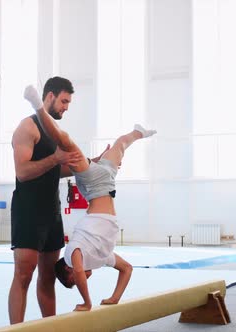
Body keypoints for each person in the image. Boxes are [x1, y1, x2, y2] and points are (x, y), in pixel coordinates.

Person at [23, 84, 157, 312]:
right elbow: (127, 269)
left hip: (93, 185)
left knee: (65, 142)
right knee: (121, 144)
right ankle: (139, 132)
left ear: (68, 271)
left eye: (77, 280)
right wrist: (115, 297)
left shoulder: (74, 253)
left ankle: (37, 106)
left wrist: (87, 302)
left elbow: (78, 271)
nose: (85, 277)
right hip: (107, 181)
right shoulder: (101, 256)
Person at [8, 77, 108, 324]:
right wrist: (55, 159)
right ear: (49, 96)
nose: (66, 107)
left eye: (69, 102)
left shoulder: (56, 133)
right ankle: (16, 330)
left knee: (48, 277)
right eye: (64, 101)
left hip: (51, 212)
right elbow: (22, 172)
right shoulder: (27, 128)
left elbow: (60, 169)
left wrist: (95, 161)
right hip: (28, 210)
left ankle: (49, 328)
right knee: (23, 275)